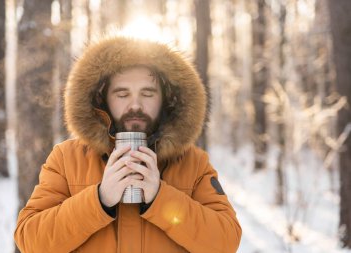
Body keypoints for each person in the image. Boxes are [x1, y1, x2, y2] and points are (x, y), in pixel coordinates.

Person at [14, 36, 242, 253]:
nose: (135, 105)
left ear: (167, 98)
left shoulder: (193, 163)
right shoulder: (66, 159)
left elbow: (225, 242)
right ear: (102, 99)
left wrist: (161, 197)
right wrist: (99, 200)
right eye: (122, 94)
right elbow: (31, 241)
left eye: (148, 93)